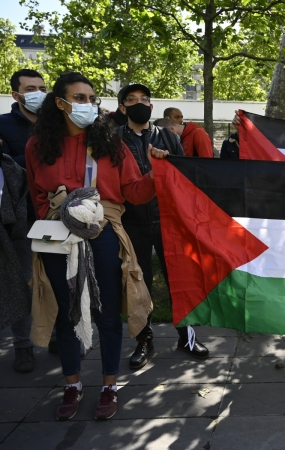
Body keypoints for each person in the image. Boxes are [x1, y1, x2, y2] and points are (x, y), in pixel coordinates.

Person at [26, 71, 169, 420]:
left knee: (107, 312)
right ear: (59, 103)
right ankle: (71, 386)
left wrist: (155, 174)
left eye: (91, 99)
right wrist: (63, 218)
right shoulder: (37, 146)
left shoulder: (111, 144)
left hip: (104, 235)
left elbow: (134, 192)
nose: (88, 105)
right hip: (58, 239)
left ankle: (109, 386)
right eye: (79, 99)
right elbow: (37, 195)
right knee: (66, 310)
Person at [117, 84, 209, 370]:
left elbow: (184, 175)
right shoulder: (113, 141)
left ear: (152, 107)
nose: (139, 103)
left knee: (179, 279)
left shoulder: (168, 136)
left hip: (169, 221)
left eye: (144, 99)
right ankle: (144, 340)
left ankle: (187, 337)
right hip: (131, 222)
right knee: (138, 283)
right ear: (122, 108)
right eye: (131, 100)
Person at [0, 69, 47, 372]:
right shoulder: (3, 124)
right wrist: (32, 162)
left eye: (42, 87)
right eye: (31, 88)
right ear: (16, 95)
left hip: (54, 217)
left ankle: (58, 335)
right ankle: (23, 345)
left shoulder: (55, 125)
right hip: (18, 220)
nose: (38, 93)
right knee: (22, 284)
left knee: (59, 281)